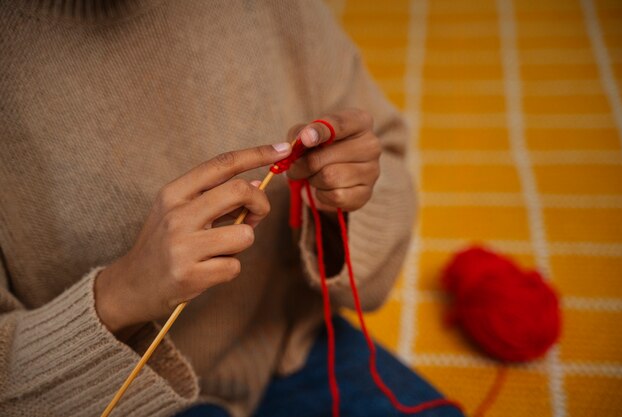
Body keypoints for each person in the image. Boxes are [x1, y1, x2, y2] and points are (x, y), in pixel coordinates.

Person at [0, 1, 462, 416]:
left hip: (287, 347)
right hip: (100, 393)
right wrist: (119, 296)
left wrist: (338, 203)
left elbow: (385, 154)